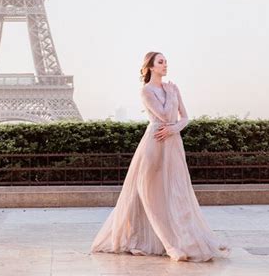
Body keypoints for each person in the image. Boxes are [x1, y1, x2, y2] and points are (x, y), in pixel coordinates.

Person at [90, 51, 230, 262]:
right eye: (161, 62)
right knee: (150, 194)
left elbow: (185, 118)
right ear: (150, 67)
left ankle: (183, 238)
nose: (165, 65)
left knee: (176, 192)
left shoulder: (173, 88)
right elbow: (164, 116)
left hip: (172, 142)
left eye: (166, 62)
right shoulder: (146, 91)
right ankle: (169, 244)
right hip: (155, 142)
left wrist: (174, 128)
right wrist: (171, 105)